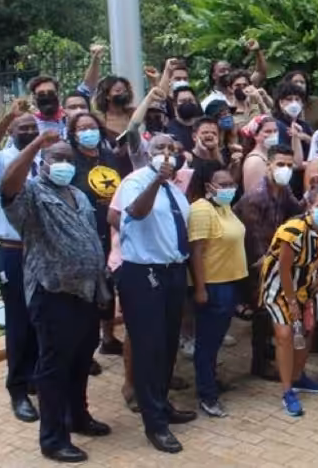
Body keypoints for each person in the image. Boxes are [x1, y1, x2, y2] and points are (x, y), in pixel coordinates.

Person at [0, 129, 112, 463]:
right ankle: (52, 438)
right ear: (43, 163)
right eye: (56, 158)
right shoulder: (32, 193)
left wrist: (101, 286)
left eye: (67, 159)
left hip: (87, 293)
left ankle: (77, 417)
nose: (63, 163)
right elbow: (7, 187)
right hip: (53, 294)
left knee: (80, 361)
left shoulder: (77, 194)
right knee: (53, 368)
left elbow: (90, 241)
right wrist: (36, 144)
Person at [115, 134, 197, 454]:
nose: (167, 154)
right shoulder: (136, 181)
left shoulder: (175, 189)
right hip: (144, 273)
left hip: (174, 272)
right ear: (148, 154)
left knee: (166, 345)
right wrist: (155, 182)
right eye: (160, 148)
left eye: (172, 149)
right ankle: (154, 424)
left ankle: (163, 405)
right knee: (148, 349)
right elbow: (135, 212)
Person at [0, 104, 41, 422]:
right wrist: (7, 118)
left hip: (43, 251)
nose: (28, 131)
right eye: (21, 127)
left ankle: (37, 377)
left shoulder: (45, 158)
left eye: (32, 126)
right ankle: (18, 389)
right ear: (11, 131)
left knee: (42, 316)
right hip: (13, 251)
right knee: (18, 321)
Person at [258, 187, 318, 417]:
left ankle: (299, 376)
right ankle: (287, 391)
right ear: (309, 207)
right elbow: (283, 269)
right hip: (279, 287)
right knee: (284, 335)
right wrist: (292, 302)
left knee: (307, 330)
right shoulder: (293, 230)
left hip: (306, 284)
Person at [233, 144, 303, 380]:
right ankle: (259, 363)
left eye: (289, 166)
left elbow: (297, 212)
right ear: (268, 167)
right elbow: (253, 240)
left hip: (272, 256)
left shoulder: (283, 190)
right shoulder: (256, 197)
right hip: (255, 261)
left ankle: (267, 351)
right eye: (280, 165)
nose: (285, 170)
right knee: (262, 312)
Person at [187, 169, 248, 418]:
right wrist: (200, 288)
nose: (228, 187)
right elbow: (197, 252)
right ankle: (207, 395)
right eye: (222, 184)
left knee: (215, 341)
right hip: (213, 284)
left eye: (231, 183)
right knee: (207, 344)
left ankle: (211, 381)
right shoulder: (202, 209)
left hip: (230, 281)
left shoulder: (225, 207)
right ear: (208, 186)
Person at [65, 111, 125, 358]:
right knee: (87, 291)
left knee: (108, 287)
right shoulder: (70, 160)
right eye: (82, 128)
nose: (88, 132)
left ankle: (108, 338)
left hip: (109, 229)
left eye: (92, 126)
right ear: (73, 134)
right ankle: (84, 351)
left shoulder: (109, 157)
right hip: (83, 233)